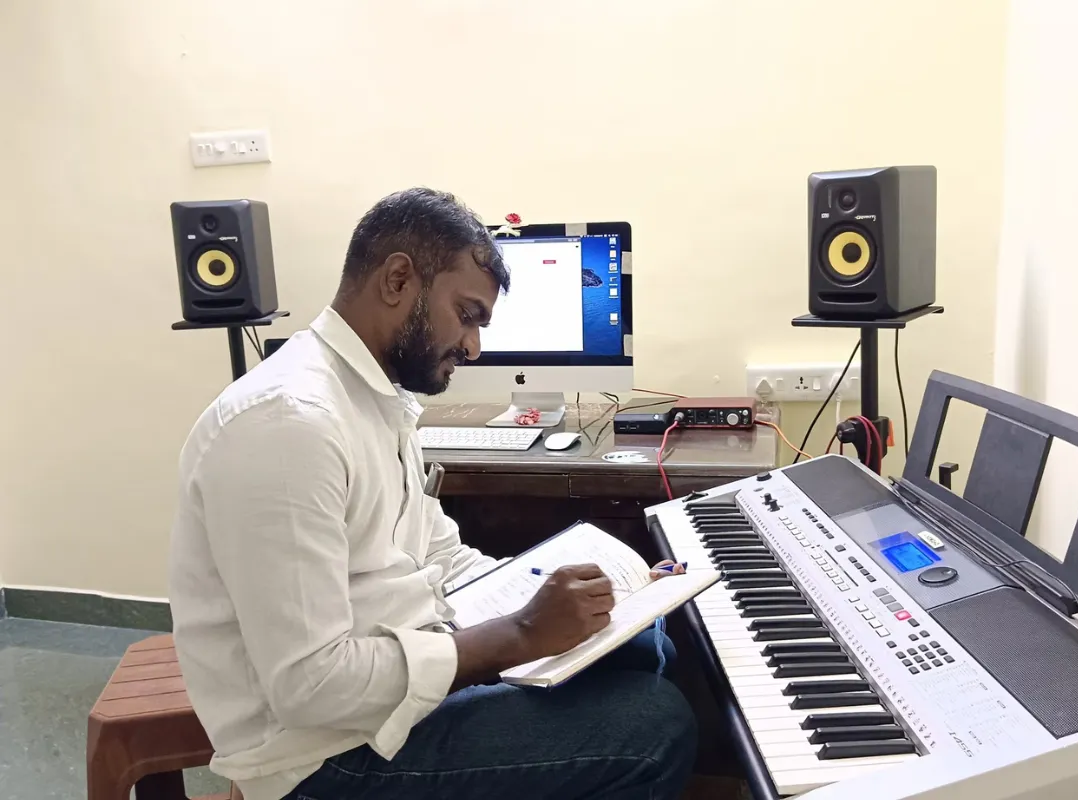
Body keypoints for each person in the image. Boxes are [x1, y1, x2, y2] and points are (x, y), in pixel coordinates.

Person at [168, 188, 698, 800]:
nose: (473, 347)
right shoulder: (287, 425)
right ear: (398, 280)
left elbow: (442, 557)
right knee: (655, 728)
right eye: (467, 315)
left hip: (393, 691)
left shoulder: (375, 399)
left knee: (641, 643)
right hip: (322, 755)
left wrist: (607, 593)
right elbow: (310, 688)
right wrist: (520, 634)